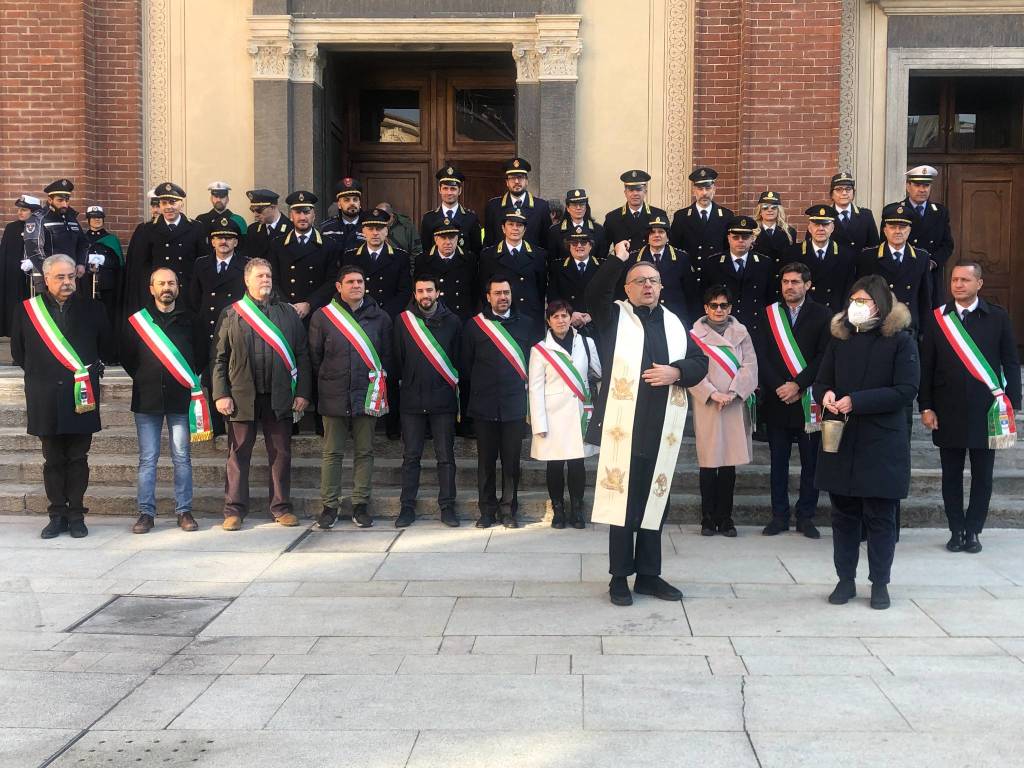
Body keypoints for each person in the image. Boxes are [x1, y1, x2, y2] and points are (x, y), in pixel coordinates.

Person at [587, 241, 709, 607]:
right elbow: (593, 293)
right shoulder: (613, 317)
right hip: (624, 429)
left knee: (657, 502)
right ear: (627, 288)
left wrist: (677, 371)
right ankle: (619, 577)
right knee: (622, 502)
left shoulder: (674, 323)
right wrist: (616, 260)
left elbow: (700, 362)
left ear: (661, 286)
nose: (647, 286)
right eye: (639, 281)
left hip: (661, 427)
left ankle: (650, 576)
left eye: (653, 280)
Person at [815, 275, 919, 610]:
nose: (857, 307)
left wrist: (857, 401)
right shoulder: (840, 339)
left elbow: (906, 390)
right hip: (842, 440)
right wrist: (827, 394)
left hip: (881, 442)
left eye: (865, 301)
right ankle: (845, 580)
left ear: (881, 304)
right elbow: (822, 381)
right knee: (843, 515)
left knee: (880, 517)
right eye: (853, 301)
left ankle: (880, 583)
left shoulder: (900, 340)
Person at [919, 263, 1021, 554]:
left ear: (980, 283)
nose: (958, 285)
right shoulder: (938, 318)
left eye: (965, 280)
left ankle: (974, 530)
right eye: (954, 280)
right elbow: (927, 366)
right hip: (947, 409)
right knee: (950, 476)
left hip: (986, 410)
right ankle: (955, 530)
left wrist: (1012, 402)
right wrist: (925, 406)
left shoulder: (998, 317)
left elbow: (1011, 362)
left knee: (982, 476)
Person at [10, 254, 113, 539]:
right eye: (60, 277)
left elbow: (105, 345)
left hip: (81, 394)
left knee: (79, 457)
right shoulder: (27, 310)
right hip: (45, 396)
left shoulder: (94, 308)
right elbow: (19, 353)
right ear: (46, 279)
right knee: (52, 458)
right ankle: (56, 514)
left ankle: (77, 514)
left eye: (71, 276)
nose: (67, 282)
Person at [211, 258, 312, 530]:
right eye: (259, 276)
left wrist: (302, 391)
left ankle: (281, 507)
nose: (265, 280)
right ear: (247, 281)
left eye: (268, 275)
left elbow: (302, 355)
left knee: (280, 453)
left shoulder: (287, 314)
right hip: (242, 396)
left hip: (279, 396)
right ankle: (234, 510)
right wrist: (221, 393)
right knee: (237, 454)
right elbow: (219, 359)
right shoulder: (231, 314)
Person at [308, 265, 393, 530]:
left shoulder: (381, 318)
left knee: (365, 452)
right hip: (333, 394)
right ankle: (329, 506)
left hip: (367, 394)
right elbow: (315, 357)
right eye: (351, 282)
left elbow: (387, 356)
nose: (356, 286)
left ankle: (360, 504)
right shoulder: (323, 317)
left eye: (360, 281)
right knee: (332, 452)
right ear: (339, 287)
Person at [122, 267, 205, 534]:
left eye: (171, 283)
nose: (166, 287)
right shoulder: (138, 321)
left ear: (178, 287)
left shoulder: (191, 320)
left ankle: (184, 511)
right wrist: (146, 376)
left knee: (182, 458)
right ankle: (146, 513)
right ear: (151, 288)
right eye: (161, 283)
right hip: (147, 400)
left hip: (182, 400)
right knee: (148, 459)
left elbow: (202, 354)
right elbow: (127, 356)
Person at [756, 263, 831, 538]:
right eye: (786, 282)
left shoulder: (823, 314)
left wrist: (798, 384)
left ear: (807, 285)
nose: (790, 287)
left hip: (808, 400)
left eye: (796, 282)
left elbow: (825, 356)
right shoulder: (769, 314)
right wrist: (780, 386)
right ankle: (779, 515)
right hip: (778, 400)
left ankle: (806, 517)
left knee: (811, 462)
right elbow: (760, 354)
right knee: (778, 461)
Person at [687, 285, 757, 537]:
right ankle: (707, 519)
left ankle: (725, 518)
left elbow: (750, 365)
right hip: (708, 403)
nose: (719, 310)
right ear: (705, 308)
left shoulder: (741, 333)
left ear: (730, 308)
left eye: (724, 305)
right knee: (708, 463)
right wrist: (711, 392)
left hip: (733, 403)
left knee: (728, 464)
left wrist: (734, 391)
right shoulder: (694, 335)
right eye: (714, 305)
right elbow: (690, 369)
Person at [464, 276, 533, 528]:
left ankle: (508, 511)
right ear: (488, 296)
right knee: (486, 463)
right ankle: (486, 511)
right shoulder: (474, 327)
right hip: (484, 406)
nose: (503, 297)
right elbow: (466, 365)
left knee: (512, 462)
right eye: (498, 293)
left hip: (515, 406)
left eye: (506, 292)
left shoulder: (526, 324)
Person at [393, 274, 462, 528]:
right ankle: (407, 507)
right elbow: (398, 358)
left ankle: (447, 506)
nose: (425, 295)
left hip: (442, 399)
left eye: (429, 290)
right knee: (411, 457)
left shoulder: (453, 321)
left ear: (437, 292)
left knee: (446, 457)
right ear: (415, 293)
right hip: (411, 399)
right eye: (420, 291)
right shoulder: (403, 321)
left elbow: (458, 358)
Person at [529, 300, 601, 529]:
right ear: (548, 321)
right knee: (555, 466)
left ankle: (577, 509)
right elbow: (535, 388)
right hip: (552, 416)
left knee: (578, 464)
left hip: (580, 412)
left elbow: (598, 372)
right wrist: (539, 423)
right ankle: (558, 509)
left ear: (571, 318)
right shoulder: (539, 350)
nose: (561, 320)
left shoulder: (587, 343)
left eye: (564, 315)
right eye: (555, 316)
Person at [188, 216, 246, 437]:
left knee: (235, 375)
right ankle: (216, 424)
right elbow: (194, 298)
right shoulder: (201, 264)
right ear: (212, 242)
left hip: (235, 329)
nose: (224, 241)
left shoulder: (246, 264)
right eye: (219, 237)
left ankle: (236, 423)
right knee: (213, 376)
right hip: (209, 329)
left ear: (236, 242)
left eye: (229, 238)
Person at [125, 182, 206, 315]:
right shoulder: (146, 230)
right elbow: (140, 269)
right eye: (163, 203)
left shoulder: (196, 228)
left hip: (186, 294)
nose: (168, 207)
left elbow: (202, 264)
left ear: (181, 204)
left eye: (172, 202)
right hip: (158, 295)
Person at [856, 202, 931, 332]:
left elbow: (925, 298)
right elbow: (861, 296)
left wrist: (925, 332)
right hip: (878, 327)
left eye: (902, 227)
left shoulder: (921, 257)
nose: (897, 231)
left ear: (909, 230)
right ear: (885, 230)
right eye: (893, 227)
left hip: (909, 327)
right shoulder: (868, 256)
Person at [477, 209, 547, 341]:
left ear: (525, 229)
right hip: (501, 317)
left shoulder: (539, 255)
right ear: (503, 228)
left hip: (530, 317)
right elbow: (483, 289)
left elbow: (541, 288)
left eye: (519, 225)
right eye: (511, 224)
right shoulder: (488, 255)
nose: (515, 228)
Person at [698, 215, 773, 337]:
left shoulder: (765, 264)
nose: (740, 241)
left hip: (755, 329)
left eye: (745, 237)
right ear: (728, 238)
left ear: (752, 238)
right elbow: (704, 297)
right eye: (735, 237)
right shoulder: (713, 263)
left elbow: (770, 299)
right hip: (722, 329)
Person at [624, 216, 699, 325]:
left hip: (675, 317)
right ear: (647, 237)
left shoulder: (682, 258)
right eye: (652, 232)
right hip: (641, 317)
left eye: (661, 232)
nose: (657, 235)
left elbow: (691, 294)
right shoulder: (633, 258)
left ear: (668, 237)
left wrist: (692, 323)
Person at [900, 165, 954, 308]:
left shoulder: (940, 212)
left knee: (932, 317)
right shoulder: (896, 211)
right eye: (917, 185)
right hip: (904, 273)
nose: (922, 189)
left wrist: (932, 262)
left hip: (931, 275)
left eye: (926, 185)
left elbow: (947, 244)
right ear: (907, 186)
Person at [792, 205, 856, 315]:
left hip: (833, 316)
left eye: (825, 224)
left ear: (832, 228)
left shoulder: (845, 255)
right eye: (816, 224)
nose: (821, 228)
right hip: (804, 316)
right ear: (809, 228)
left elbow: (848, 291)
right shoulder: (794, 253)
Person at [416, 218, 478, 324]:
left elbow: (475, 292)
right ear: (436, 239)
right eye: (443, 238)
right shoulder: (423, 260)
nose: (448, 242)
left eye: (452, 237)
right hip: (435, 317)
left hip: (462, 317)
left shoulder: (469, 259)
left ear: (457, 238)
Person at [670, 166, 734, 266]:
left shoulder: (727, 216)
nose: (704, 193)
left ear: (714, 190)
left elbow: (729, 249)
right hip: (690, 273)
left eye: (708, 188)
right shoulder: (681, 217)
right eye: (700, 189)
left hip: (716, 273)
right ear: (694, 191)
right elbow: (674, 249)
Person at [483, 157, 550, 248]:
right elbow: (489, 241)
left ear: (527, 181)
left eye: (520, 177)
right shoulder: (494, 206)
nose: (516, 182)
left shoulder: (541, 207)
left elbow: (546, 242)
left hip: (531, 261)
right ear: (507, 182)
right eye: (512, 178)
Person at [82, 205, 124, 347]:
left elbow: (119, 264)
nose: (97, 220)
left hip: (107, 287)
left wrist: (104, 261)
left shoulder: (111, 239)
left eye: (99, 217)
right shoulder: (82, 239)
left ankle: (108, 351)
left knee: (107, 318)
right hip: (86, 286)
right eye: (93, 218)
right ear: (88, 220)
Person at [546, 223, 600, 332]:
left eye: (584, 242)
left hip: (595, 324)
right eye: (574, 243)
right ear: (569, 246)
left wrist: (592, 315)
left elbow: (608, 298)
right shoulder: (557, 267)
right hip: (567, 324)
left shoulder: (602, 267)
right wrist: (571, 313)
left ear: (590, 245)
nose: (579, 246)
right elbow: (553, 297)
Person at [0, 195, 42, 335]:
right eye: (19, 209)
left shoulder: (42, 226)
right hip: (14, 278)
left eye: (24, 210)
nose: (20, 212)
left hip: (36, 277)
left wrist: (34, 262)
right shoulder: (11, 228)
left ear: (34, 211)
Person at [419, 166, 483, 258]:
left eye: (453, 189)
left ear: (460, 190)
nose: (449, 193)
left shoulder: (471, 218)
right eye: (445, 188)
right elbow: (425, 250)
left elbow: (476, 251)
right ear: (439, 190)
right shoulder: (429, 218)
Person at [602, 170, 669, 253]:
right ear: (625, 193)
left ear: (645, 192)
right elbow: (603, 249)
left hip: (649, 264)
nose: (635, 194)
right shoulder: (613, 217)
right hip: (624, 264)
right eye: (631, 190)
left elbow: (667, 246)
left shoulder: (658, 214)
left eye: (639, 190)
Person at [548, 188, 606, 266]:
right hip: (564, 276)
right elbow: (552, 261)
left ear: (586, 207)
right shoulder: (555, 231)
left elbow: (601, 260)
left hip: (592, 276)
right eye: (574, 205)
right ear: (568, 208)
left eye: (582, 204)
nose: (578, 208)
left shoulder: (598, 230)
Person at [41, 179, 88, 275]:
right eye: (60, 200)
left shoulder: (72, 218)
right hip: (51, 274)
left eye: (67, 200)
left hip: (72, 273)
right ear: (50, 200)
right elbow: (36, 248)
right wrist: (45, 271)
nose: (65, 204)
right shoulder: (41, 219)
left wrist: (81, 263)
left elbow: (82, 243)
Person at [752, 190, 796, 287]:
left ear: (778, 210)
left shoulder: (789, 232)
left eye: (774, 207)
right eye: (765, 208)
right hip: (758, 281)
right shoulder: (752, 232)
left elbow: (791, 261)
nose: (769, 210)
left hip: (780, 282)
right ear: (760, 211)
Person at [826, 172, 878, 253]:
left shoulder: (866, 215)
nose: (844, 193)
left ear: (853, 193)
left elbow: (874, 247)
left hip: (859, 264)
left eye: (848, 189)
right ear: (831, 194)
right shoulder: (824, 216)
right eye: (839, 189)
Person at [195, 182, 247, 255]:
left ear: (227, 199)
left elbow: (243, 248)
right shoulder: (201, 220)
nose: (218, 200)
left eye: (222, 197)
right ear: (211, 198)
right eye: (215, 197)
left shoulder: (238, 220)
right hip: (207, 263)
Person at [244, 188, 291, 261]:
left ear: (273, 207)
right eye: (253, 210)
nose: (255, 214)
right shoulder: (253, 229)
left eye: (259, 210)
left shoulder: (290, 228)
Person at [321, 177, 365, 254]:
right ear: (339, 205)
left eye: (355, 199)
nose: (352, 203)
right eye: (346, 200)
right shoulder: (327, 228)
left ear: (360, 203)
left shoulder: (369, 227)